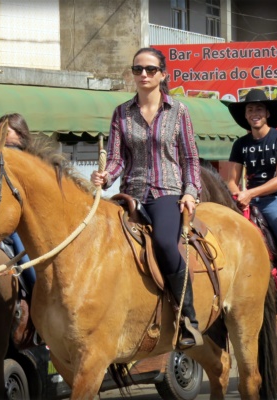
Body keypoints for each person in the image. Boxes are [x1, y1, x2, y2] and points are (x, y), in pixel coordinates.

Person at [90, 47, 203, 349]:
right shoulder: (121, 112)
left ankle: (187, 319)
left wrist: (190, 192)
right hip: (131, 192)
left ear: (162, 74)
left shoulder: (178, 111)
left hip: (166, 192)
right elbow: (117, 159)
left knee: (165, 243)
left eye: (150, 69)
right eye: (137, 69)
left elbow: (190, 158)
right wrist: (105, 176)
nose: (143, 74)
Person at [225, 88, 277, 317]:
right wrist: (239, 195)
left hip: (275, 199)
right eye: (250, 109)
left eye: (259, 109)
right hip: (247, 200)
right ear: (245, 115)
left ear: (267, 113)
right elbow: (231, 180)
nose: (255, 113)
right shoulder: (240, 144)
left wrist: (250, 193)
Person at [0, 113, 36, 293]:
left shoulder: (29, 161)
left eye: (6, 131)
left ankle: (36, 289)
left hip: (19, 222)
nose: (1, 135)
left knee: (23, 252)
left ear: (20, 133)